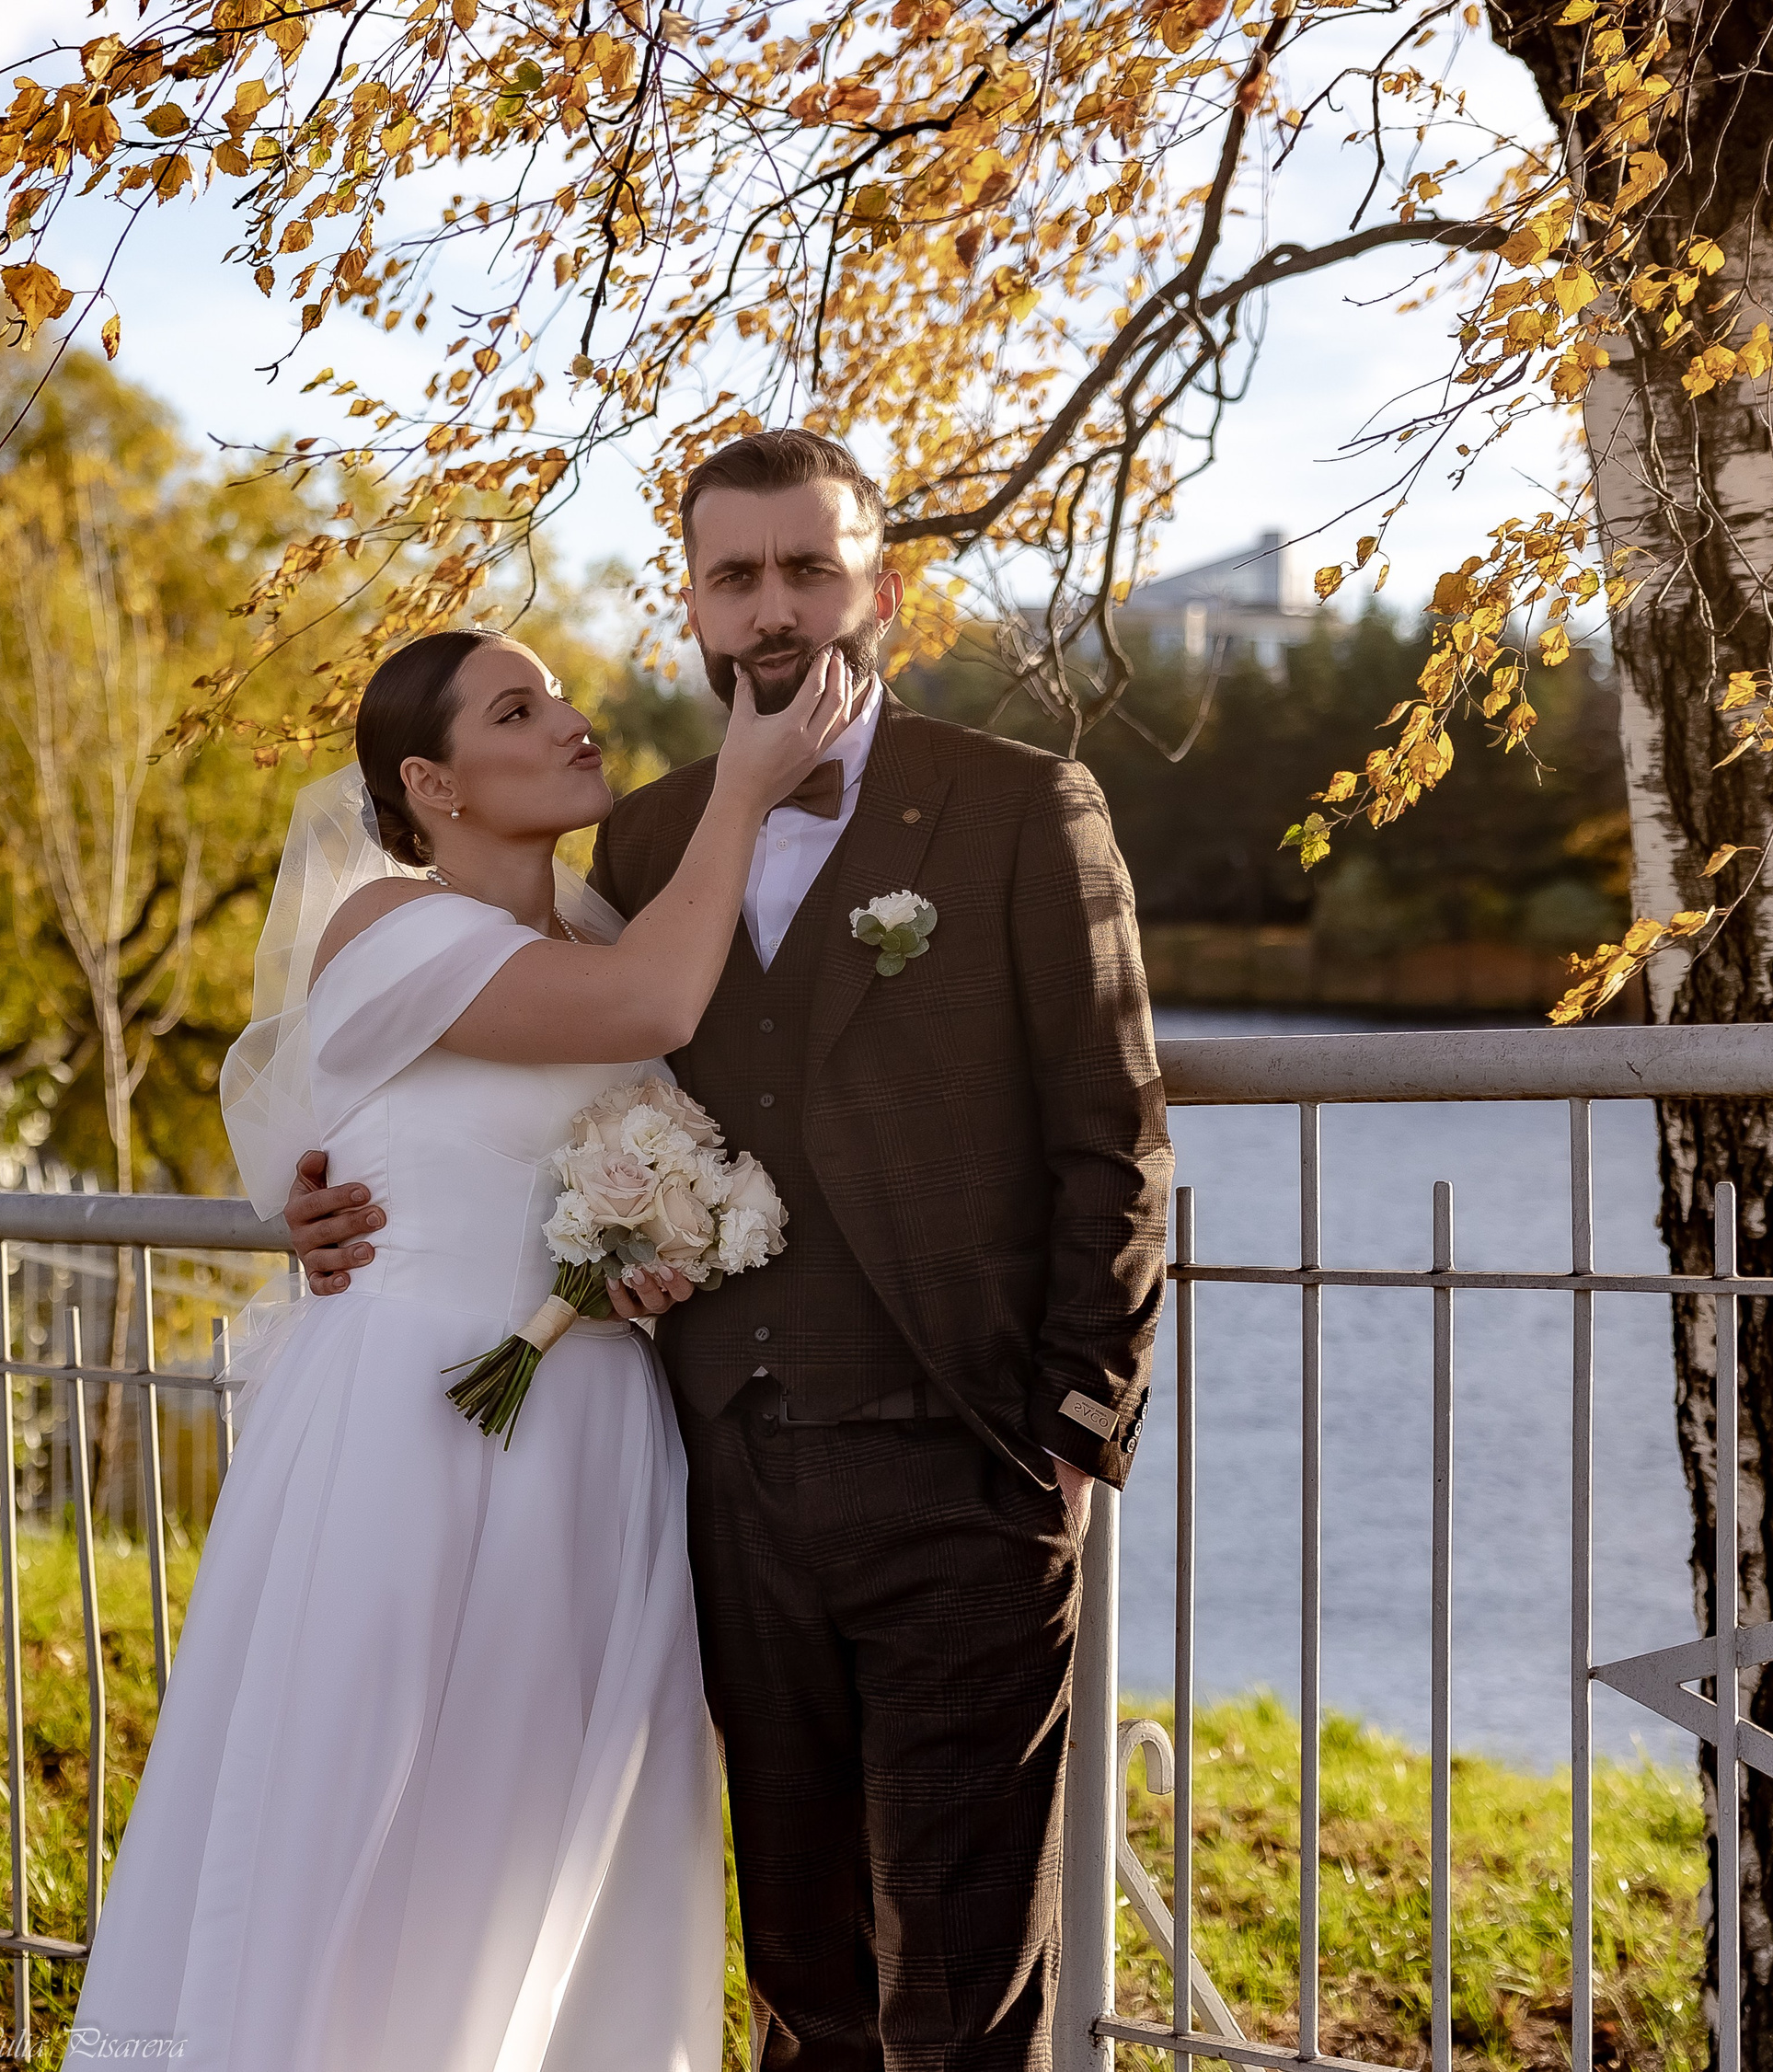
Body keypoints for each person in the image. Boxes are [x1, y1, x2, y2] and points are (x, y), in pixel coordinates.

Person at [286, 428, 1175, 2072]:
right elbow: (496, 1086)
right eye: (736, 575)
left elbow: (1112, 1139)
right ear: (693, 603)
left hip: (963, 1465)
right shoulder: (637, 846)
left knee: (964, 1983)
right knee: (800, 1976)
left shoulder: (1022, 810)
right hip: (717, 1481)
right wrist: (322, 1198)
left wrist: (1074, 1430)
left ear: (880, 587)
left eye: (810, 569)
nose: (775, 610)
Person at [63, 625, 851, 2072]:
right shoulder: (391, 928)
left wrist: (654, 1253)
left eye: (558, 694)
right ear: (431, 782)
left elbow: (586, 1087)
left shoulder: (599, 927)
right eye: (519, 708)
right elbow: (651, 1015)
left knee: (536, 1826)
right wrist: (742, 792)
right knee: (370, 1797)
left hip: (596, 1440)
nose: (571, 721)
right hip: (417, 1426)